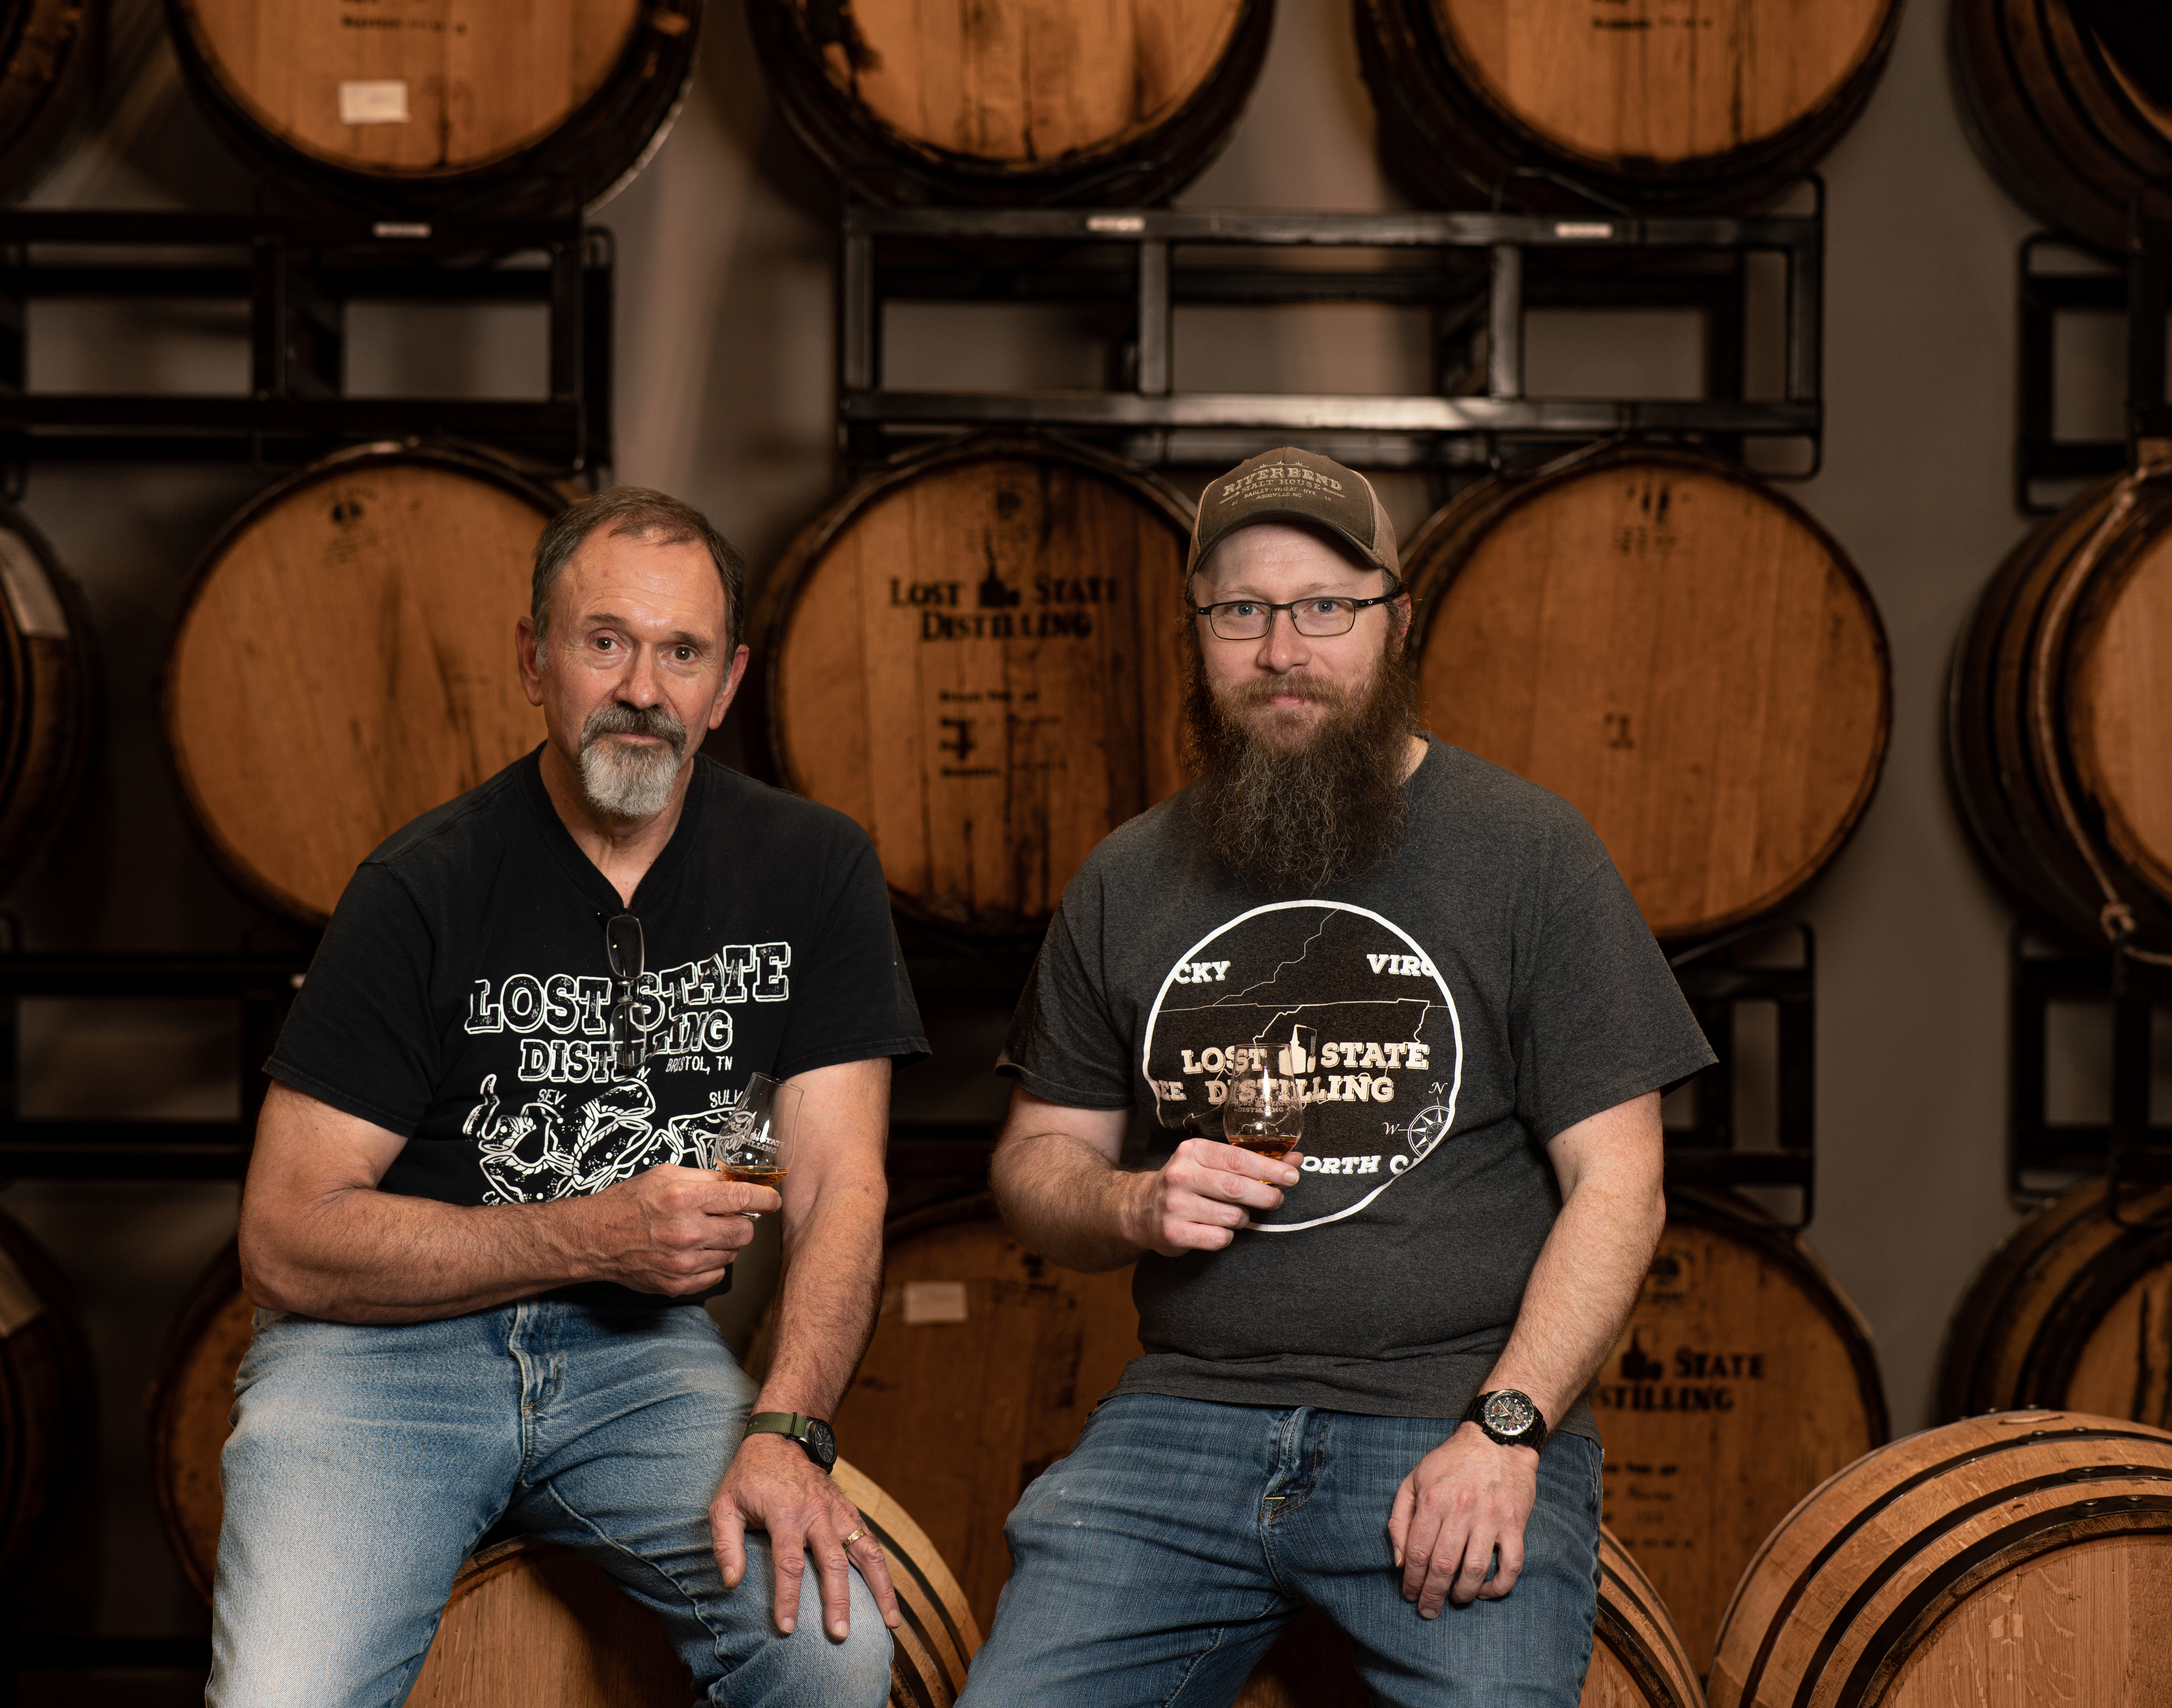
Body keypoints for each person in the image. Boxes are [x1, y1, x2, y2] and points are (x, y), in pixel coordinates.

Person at [959, 448, 1715, 1705]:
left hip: (1446, 1417)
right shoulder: (1126, 876)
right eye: (1241, 611)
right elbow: (1038, 1163)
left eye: (1324, 607)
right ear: (1197, 631)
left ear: (1396, 622)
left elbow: (1620, 1184)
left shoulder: (1529, 852)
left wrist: (1505, 1429)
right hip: (1183, 1419)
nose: (1281, 650)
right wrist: (1131, 1202)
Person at [209, 487, 929, 1708]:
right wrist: (592, 1234)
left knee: (830, 1648)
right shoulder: (420, 887)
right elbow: (283, 1239)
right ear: (534, 660)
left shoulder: (811, 867)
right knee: (284, 1695)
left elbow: (839, 1182)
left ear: (727, 683)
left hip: (640, 1362)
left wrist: (787, 1429)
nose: (643, 687)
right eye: (605, 641)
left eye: (682, 652)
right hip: (376, 1363)